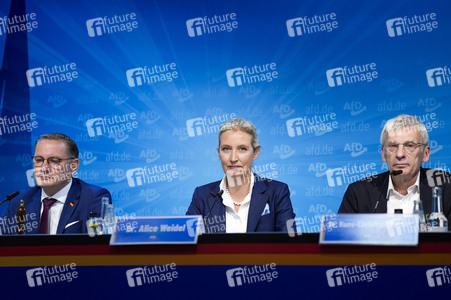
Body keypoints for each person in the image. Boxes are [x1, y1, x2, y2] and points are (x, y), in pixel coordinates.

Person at [338, 114, 451, 229]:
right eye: (392, 146)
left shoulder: (447, 187)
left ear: (425, 154)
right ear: (383, 154)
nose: (399, 154)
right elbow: (340, 240)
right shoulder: (359, 193)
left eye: (410, 145)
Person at [186, 118, 295, 233]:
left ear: (255, 153)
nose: (233, 158)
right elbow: (186, 242)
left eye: (242, 149)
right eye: (226, 149)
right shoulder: (202, 195)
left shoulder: (277, 192)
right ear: (219, 153)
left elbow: (290, 242)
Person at [4, 133, 111, 234]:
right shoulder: (18, 201)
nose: (44, 168)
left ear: (73, 166)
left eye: (54, 161)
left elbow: (98, 246)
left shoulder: (93, 198)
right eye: (39, 160)